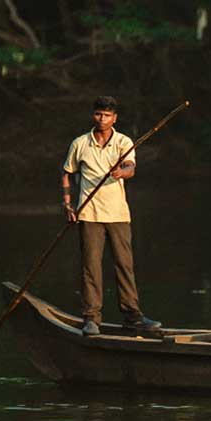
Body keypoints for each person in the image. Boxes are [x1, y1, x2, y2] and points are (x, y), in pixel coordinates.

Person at [62, 95, 160, 337]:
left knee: (124, 266)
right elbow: (66, 173)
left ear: (114, 118)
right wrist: (67, 204)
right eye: (98, 114)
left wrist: (121, 172)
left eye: (107, 115)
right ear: (93, 115)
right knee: (91, 267)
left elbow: (131, 167)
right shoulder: (80, 144)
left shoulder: (123, 142)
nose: (102, 119)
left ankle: (132, 317)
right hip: (88, 214)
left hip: (117, 214)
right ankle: (91, 318)